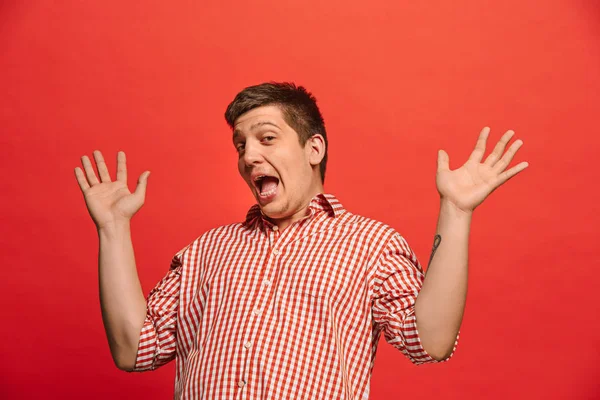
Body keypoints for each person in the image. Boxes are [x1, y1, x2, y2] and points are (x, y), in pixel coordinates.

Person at [74, 82, 529, 399]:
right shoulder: (206, 252)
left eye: (267, 138)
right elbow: (134, 349)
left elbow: (429, 341)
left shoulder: (369, 244)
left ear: (314, 150)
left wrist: (456, 211)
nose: (250, 155)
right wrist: (112, 230)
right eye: (240, 145)